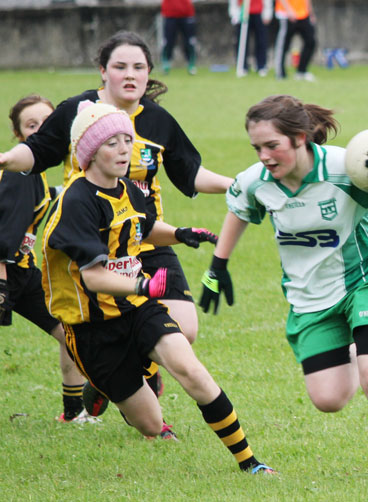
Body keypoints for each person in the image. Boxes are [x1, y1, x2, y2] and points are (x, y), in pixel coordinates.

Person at [0, 30, 233, 439]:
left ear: (148, 74)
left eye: (139, 67)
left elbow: (190, 173)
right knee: (112, 324)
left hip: (147, 236)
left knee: (186, 328)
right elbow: (37, 152)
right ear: (102, 71)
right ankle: (119, 379)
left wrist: (238, 185)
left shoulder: (158, 120)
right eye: (120, 66)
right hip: (95, 243)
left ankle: (124, 372)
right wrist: (5, 160)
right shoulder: (78, 110)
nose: (130, 74)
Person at [199, 94, 368, 478]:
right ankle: (360, 345)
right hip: (309, 297)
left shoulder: (346, 169)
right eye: (257, 147)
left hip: (366, 279)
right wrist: (217, 266)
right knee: (329, 399)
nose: (265, 156)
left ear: (300, 138)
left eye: (273, 145)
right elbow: (239, 207)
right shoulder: (257, 181)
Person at [41, 100, 275, 475]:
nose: (124, 150)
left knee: (192, 371)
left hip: (136, 308)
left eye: (126, 140)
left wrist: (181, 234)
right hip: (92, 329)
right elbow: (93, 277)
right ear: (88, 151)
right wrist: (145, 283)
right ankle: (102, 385)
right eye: (111, 143)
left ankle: (250, 463)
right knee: (150, 423)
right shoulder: (77, 201)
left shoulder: (130, 189)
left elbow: (144, 227)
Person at [0, 94, 91, 423]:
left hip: (24, 273)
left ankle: (74, 411)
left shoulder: (37, 174)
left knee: (71, 331)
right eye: (30, 126)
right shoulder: (19, 175)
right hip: (7, 273)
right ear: (20, 135)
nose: (39, 131)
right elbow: (3, 236)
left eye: (46, 123)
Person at [274, 0, 317, 81]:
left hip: (303, 14)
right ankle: (280, 73)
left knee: (311, 41)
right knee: (283, 45)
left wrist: (310, 13)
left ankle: (301, 71)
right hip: (285, 14)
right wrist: (289, 10)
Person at [228, 0, 273, 77]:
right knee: (241, 42)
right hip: (242, 13)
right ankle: (243, 66)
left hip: (259, 12)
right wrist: (234, 14)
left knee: (261, 41)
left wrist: (267, 13)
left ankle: (261, 66)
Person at [161, 0, 197, 75]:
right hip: (170, 14)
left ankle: (191, 65)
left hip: (186, 13)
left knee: (189, 42)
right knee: (168, 42)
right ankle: (166, 64)